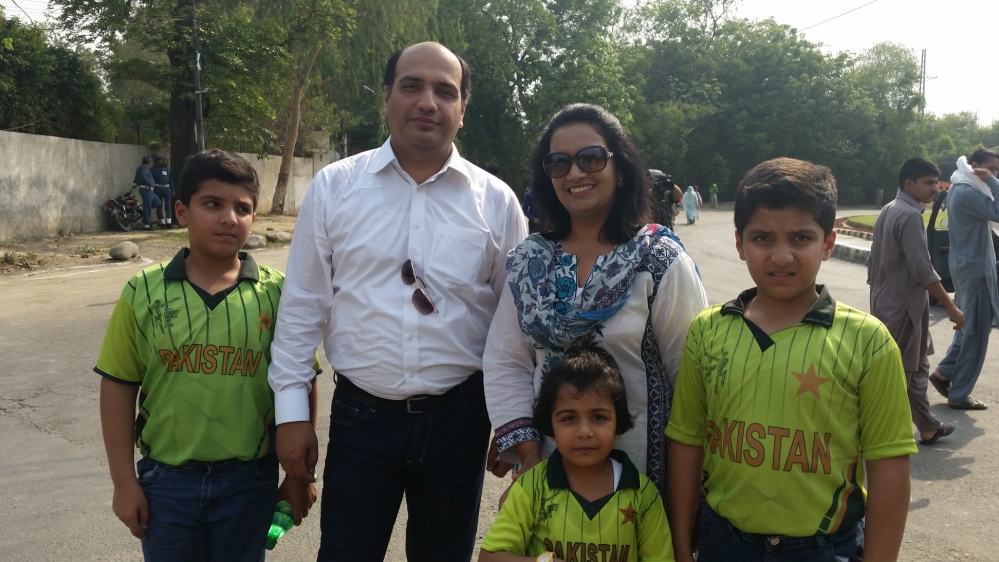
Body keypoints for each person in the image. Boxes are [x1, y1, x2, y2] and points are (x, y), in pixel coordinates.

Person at [267, 42, 527, 562]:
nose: (427, 102)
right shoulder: (335, 188)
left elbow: (514, 328)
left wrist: (512, 418)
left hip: (461, 420)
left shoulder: (496, 202)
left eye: (444, 91)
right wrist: (291, 415)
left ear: (461, 109)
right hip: (363, 420)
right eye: (412, 86)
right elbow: (301, 309)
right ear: (386, 97)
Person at [667, 157, 917, 562]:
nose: (781, 256)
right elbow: (687, 443)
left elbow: (889, 468)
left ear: (828, 244)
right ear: (739, 244)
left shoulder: (868, 342)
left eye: (801, 238)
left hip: (823, 549)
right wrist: (680, 546)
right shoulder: (708, 331)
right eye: (763, 238)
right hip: (723, 542)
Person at [96, 149, 320, 561]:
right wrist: (123, 482)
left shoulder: (278, 293)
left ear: (253, 218)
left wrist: (297, 475)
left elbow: (301, 379)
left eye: (242, 208)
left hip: (249, 481)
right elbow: (118, 386)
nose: (229, 218)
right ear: (182, 211)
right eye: (212, 204)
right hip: (166, 482)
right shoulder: (143, 292)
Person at [483, 103, 707, 499]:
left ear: (619, 169)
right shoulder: (528, 263)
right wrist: (530, 461)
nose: (574, 173)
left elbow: (691, 383)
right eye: (558, 162)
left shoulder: (659, 261)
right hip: (548, 480)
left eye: (590, 158)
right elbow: (507, 361)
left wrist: (684, 504)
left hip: (644, 487)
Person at [479, 345, 675, 562]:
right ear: (550, 428)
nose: (584, 432)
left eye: (598, 417)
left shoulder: (643, 494)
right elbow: (489, 557)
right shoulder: (531, 488)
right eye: (569, 418)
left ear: (618, 425)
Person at [868, 158, 964, 445]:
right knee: (900, 374)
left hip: (890, 302)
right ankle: (876, 436)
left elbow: (874, 262)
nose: (935, 188)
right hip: (903, 308)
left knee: (918, 365)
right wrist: (950, 306)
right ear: (908, 183)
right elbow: (922, 269)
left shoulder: (890, 209)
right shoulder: (909, 215)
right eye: (928, 182)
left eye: (935, 182)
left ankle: (927, 425)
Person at [930, 148, 999, 410]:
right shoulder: (969, 191)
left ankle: (944, 373)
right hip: (975, 271)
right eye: (990, 168)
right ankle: (959, 394)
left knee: (966, 326)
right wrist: (992, 182)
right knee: (977, 335)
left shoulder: (961, 187)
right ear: (975, 166)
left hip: (966, 267)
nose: (994, 174)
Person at [134, 155, 161, 231]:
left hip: (149, 190)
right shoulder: (143, 168)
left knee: (158, 202)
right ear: (148, 162)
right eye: (150, 161)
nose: (151, 163)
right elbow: (143, 176)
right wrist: (149, 183)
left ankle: (145, 212)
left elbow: (136, 178)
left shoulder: (142, 168)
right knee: (147, 206)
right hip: (146, 189)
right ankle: (146, 224)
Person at [150, 153, 175, 228]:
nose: (161, 161)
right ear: (156, 161)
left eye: (161, 160)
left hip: (167, 188)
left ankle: (168, 221)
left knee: (168, 204)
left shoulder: (166, 168)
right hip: (157, 188)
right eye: (159, 160)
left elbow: (170, 179)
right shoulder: (152, 170)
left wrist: (173, 189)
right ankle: (162, 221)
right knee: (159, 205)